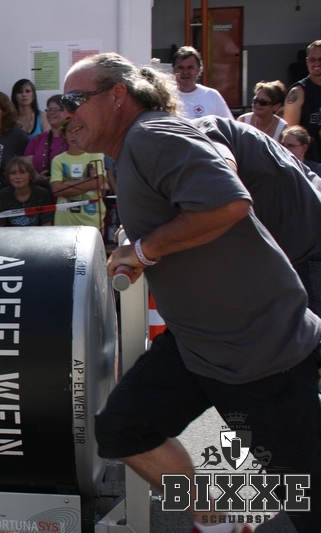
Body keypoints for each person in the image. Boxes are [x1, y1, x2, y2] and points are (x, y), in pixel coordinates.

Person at [61, 51, 321, 533]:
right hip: (197, 343)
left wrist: (144, 251)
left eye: (75, 100)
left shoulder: (152, 135)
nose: (64, 113)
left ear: (117, 96)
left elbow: (226, 203)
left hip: (259, 351)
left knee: (309, 502)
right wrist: (138, 241)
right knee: (124, 429)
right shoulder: (131, 150)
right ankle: (219, 521)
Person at [194, 116, 321, 318]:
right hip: (297, 245)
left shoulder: (207, 130)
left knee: (309, 328)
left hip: (309, 246)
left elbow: (227, 183)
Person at [50, 127, 108, 230]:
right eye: (70, 131)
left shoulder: (96, 155)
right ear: (64, 135)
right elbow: (56, 190)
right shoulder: (58, 160)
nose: (74, 135)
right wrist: (88, 181)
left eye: (77, 130)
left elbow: (97, 183)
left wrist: (66, 183)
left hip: (92, 222)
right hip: (64, 223)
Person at [172, 46, 233, 120]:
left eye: (190, 67)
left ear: (199, 70)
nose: (185, 72)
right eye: (180, 68)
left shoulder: (212, 95)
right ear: (174, 70)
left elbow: (228, 124)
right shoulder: (166, 97)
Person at [285, 40, 321, 162]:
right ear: (306, 61)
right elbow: (291, 133)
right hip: (309, 161)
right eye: (312, 59)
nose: (317, 63)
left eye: (320, 59)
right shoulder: (298, 92)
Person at [0, 157, 53, 227]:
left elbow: (47, 224)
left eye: (22, 172)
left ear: (31, 175)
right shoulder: (4, 194)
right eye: (13, 173)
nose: (17, 177)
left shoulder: (42, 194)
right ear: (8, 176)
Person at [24, 95, 68, 177]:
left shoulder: (73, 139)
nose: (51, 113)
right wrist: (38, 178)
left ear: (66, 112)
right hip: (39, 184)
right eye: (49, 109)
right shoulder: (37, 139)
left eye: (56, 109)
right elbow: (26, 166)